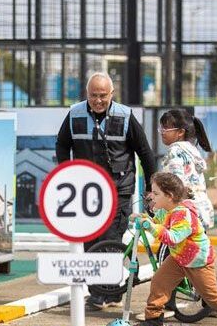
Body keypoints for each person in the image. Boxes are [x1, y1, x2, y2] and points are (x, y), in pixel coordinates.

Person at [55, 72, 157, 311]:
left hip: (118, 190)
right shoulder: (75, 114)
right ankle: (103, 292)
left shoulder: (125, 115)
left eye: (103, 95)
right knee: (90, 241)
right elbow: (62, 145)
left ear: (112, 94)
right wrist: (67, 174)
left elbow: (145, 152)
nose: (98, 100)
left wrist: (151, 189)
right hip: (86, 192)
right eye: (93, 95)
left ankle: (105, 293)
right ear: (86, 94)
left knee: (109, 240)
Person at [133, 172, 217, 326]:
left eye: (156, 193)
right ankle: (153, 319)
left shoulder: (183, 214)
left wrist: (150, 227)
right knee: (159, 282)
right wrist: (144, 219)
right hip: (179, 257)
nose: (152, 197)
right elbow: (156, 222)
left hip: (198, 261)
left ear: (169, 196)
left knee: (212, 296)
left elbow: (172, 238)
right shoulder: (165, 210)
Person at [158, 109, 215, 230]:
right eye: (161, 128)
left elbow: (175, 184)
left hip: (184, 216)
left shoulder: (175, 151)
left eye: (165, 129)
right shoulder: (193, 151)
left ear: (180, 132)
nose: (161, 132)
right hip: (201, 211)